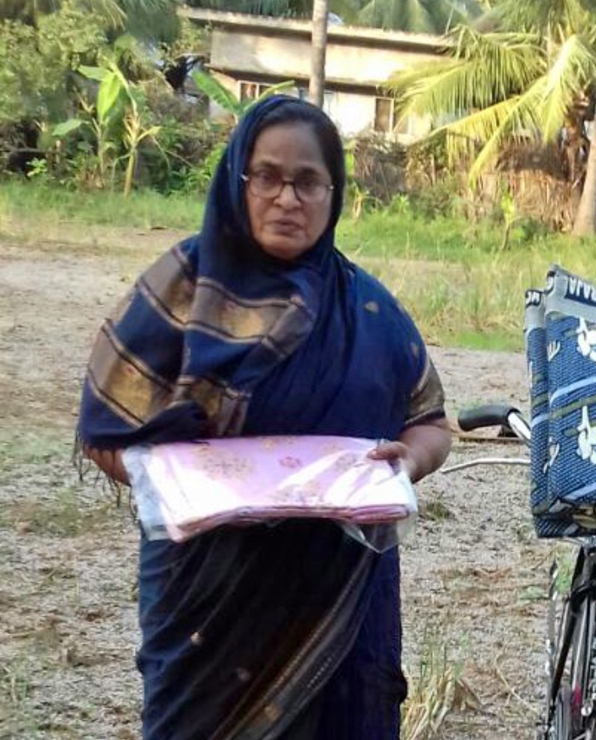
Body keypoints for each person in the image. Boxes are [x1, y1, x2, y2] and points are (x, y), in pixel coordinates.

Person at [76, 96, 451, 740]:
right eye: (268, 177)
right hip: (208, 603)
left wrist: (408, 463)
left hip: (338, 597)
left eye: (308, 181)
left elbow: (431, 422)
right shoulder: (182, 288)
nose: (287, 198)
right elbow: (105, 430)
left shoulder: (367, 308)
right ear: (237, 181)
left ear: (334, 195)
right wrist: (188, 486)